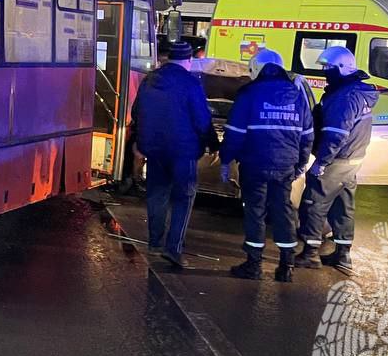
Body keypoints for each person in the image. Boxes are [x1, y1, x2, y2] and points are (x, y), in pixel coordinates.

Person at [219, 49, 313, 282]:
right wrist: (301, 163)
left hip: (254, 163)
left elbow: (235, 133)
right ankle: (286, 266)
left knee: (255, 211)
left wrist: (225, 159)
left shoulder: (249, 93)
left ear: (257, 69)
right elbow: (307, 135)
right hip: (285, 165)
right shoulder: (297, 95)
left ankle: (254, 265)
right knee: (283, 211)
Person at [133, 39, 219, 269]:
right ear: (188, 60)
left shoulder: (150, 80)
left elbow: (136, 112)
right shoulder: (191, 83)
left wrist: (141, 141)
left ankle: (155, 243)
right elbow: (202, 119)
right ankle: (173, 248)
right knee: (183, 197)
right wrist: (212, 143)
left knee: (157, 195)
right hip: (183, 151)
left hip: (155, 150)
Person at [293, 46, 377, 271]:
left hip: (336, 160)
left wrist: (321, 162)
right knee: (343, 206)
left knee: (314, 202)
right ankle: (343, 255)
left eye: (328, 67)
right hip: (352, 160)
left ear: (342, 68)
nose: (325, 71)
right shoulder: (358, 92)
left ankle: (310, 254)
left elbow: (336, 134)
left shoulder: (345, 96)